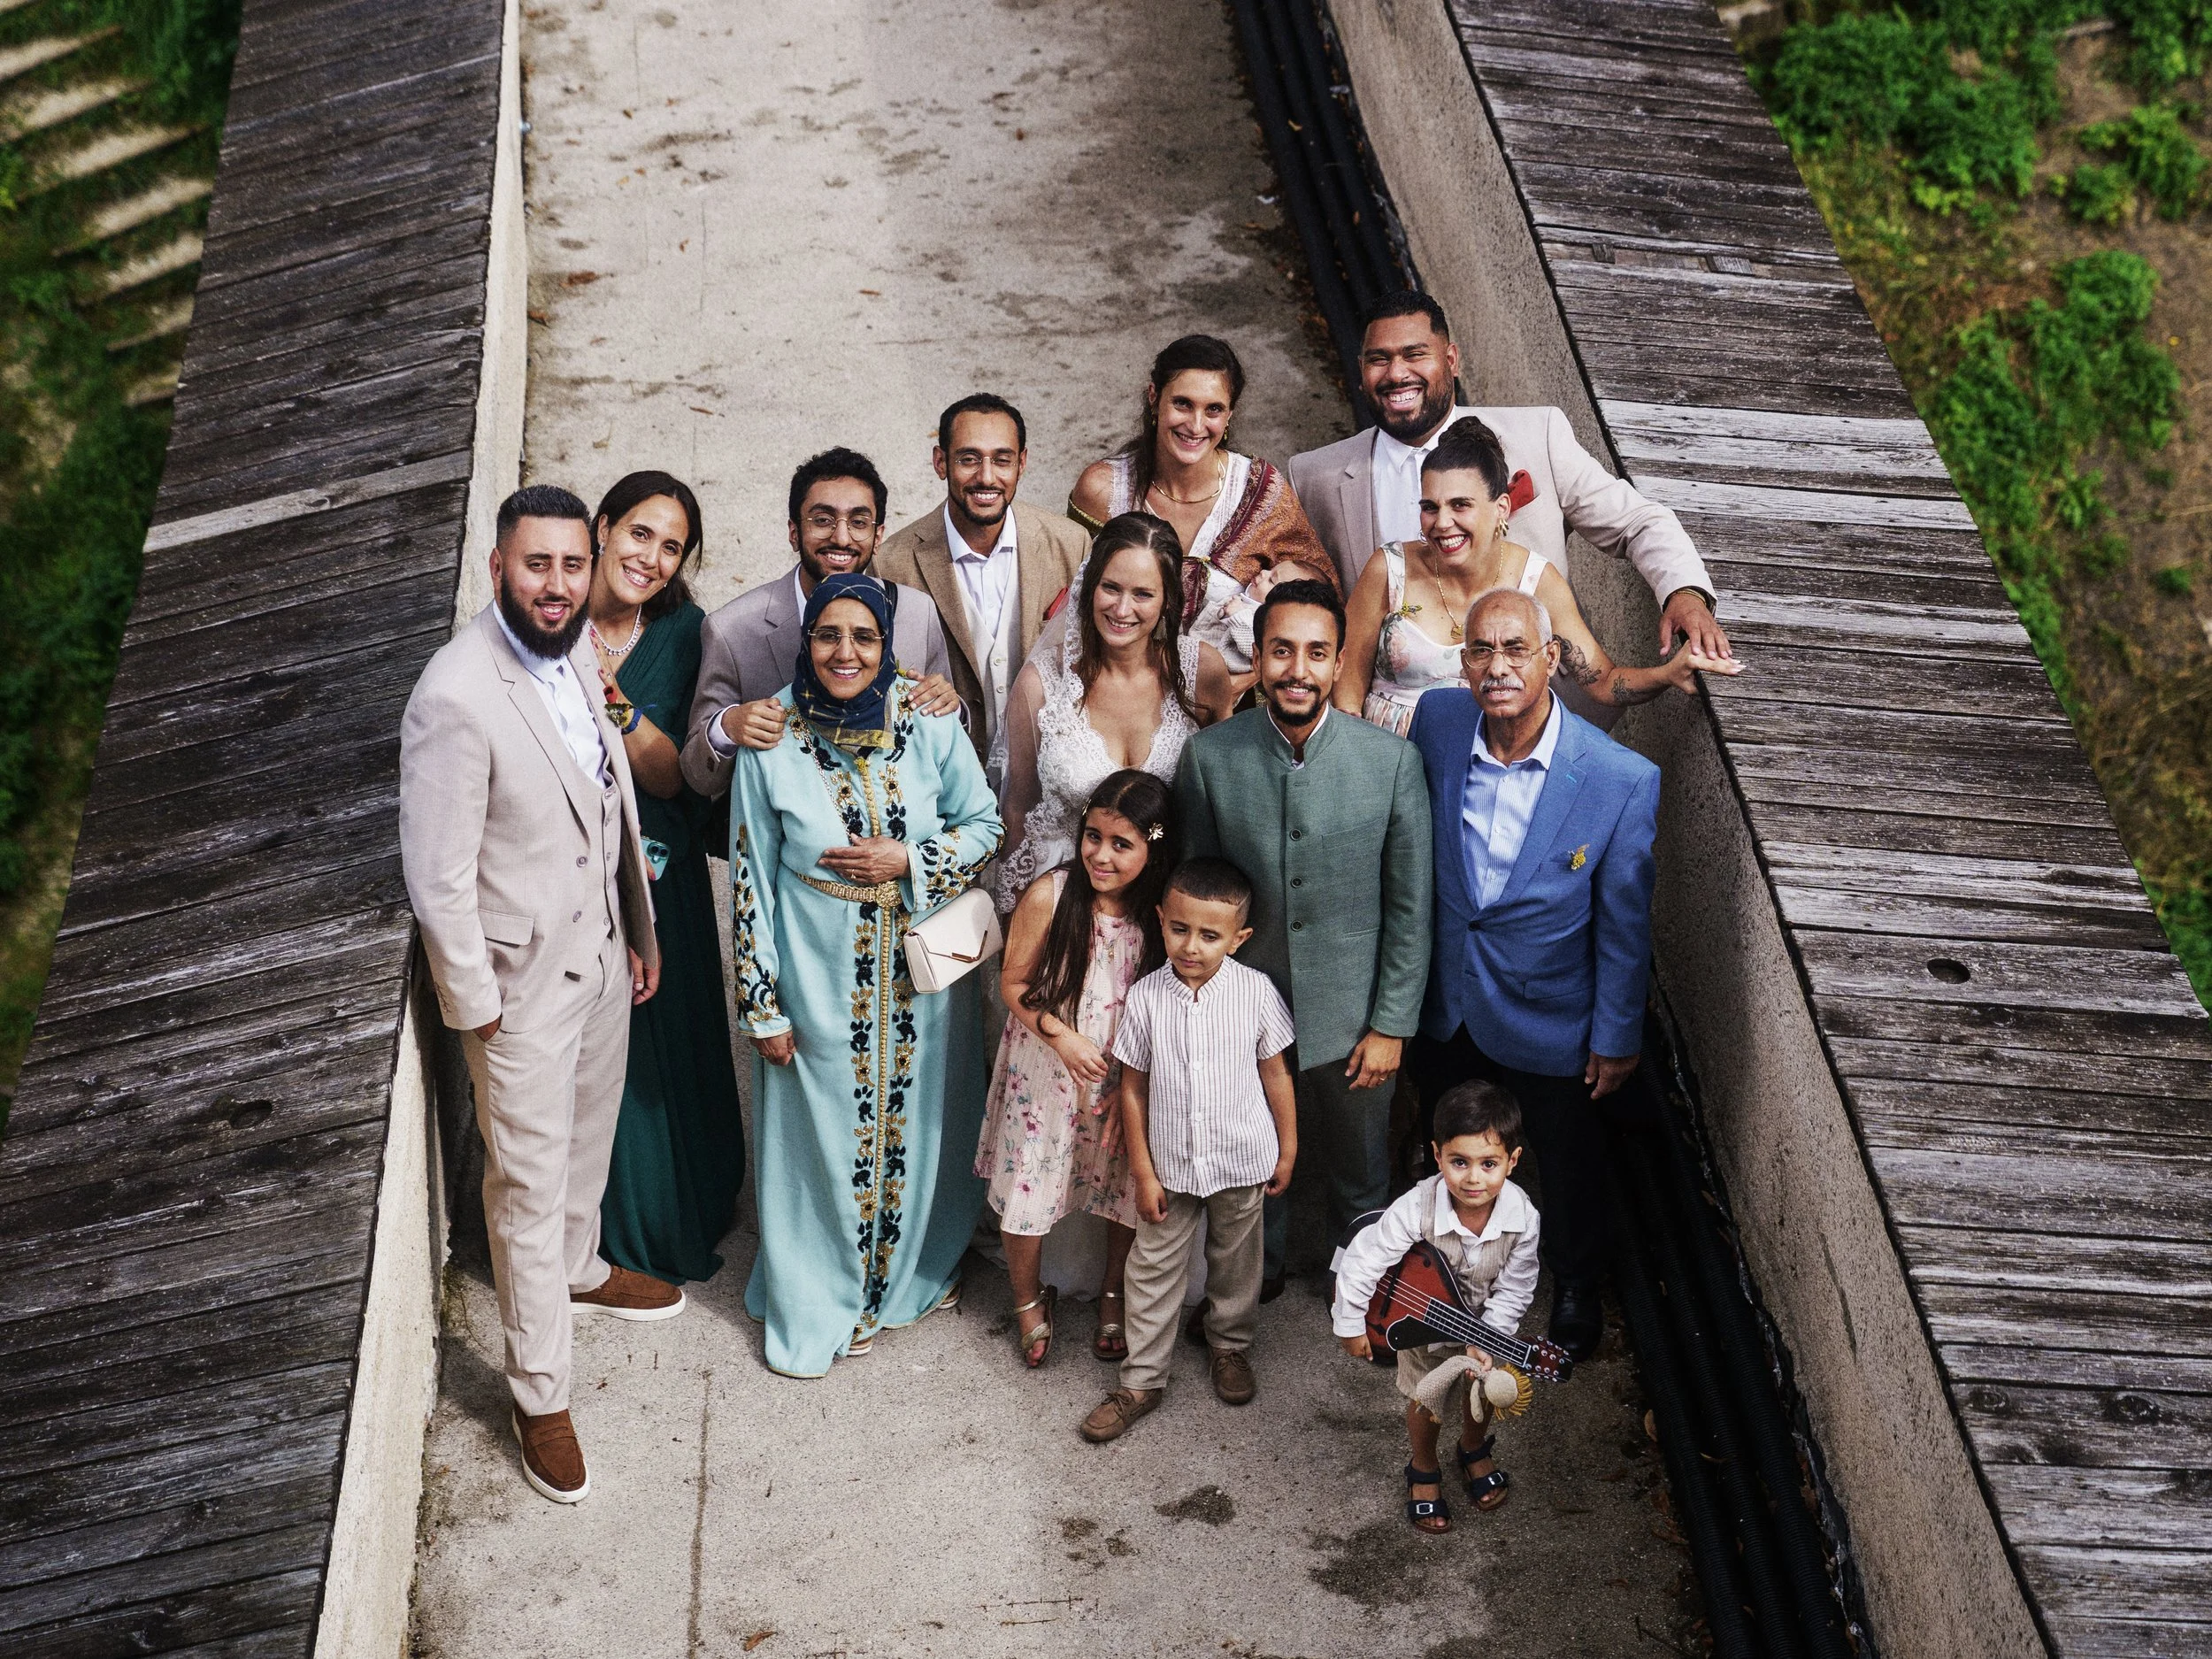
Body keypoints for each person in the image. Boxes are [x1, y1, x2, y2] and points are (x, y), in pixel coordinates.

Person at [399, 485, 672, 1505]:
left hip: (598, 958)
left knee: (587, 1143)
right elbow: (437, 878)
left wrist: (633, 928)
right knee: (523, 1187)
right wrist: (479, 1005)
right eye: (535, 565)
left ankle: (581, 1267)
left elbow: (606, 801)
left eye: (570, 564)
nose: (556, 585)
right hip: (518, 993)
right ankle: (539, 1393)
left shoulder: (578, 653)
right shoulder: (454, 696)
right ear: (497, 568)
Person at [726, 572, 1004, 1377]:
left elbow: (984, 824)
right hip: (817, 974)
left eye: (864, 637)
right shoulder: (772, 734)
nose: (844, 652)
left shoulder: (926, 717)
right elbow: (750, 876)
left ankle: (906, 1272)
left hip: (922, 980)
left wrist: (908, 860)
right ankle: (826, 1290)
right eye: (827, 635)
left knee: (916, 1129)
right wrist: (762, 1004)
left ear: (887, 644)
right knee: (821, 1135)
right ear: (805, 640)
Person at [1406, 586, 1660, 1362]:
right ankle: (1446, 1277)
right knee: (1450, 1144)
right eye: (1481, 650)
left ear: (1552, 658)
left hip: (1553, 1014)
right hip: (1452, 998)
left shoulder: (1620, 779)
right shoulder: (1439, 723)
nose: (1498, 667)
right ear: (1462, 663)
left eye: (1516, 649)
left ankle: (1576, 1284)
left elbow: (1625, 924)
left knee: (1567, 1159)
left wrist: (1616, 1036)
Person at [1173, 580, 1432, 1297]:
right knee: (1253, 1157)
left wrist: (1391, 1024)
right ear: (1258, 657)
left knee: (1361, 1166)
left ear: (1339, 660)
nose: (1298, 669)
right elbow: (1198, 895)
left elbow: (1411, 910)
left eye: (1317, 653)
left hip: (1356, 1018)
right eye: (1282, 650)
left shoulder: (1391, 762)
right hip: (1247, 1012)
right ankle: (1256, 1278)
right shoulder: (1210, 758)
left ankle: (1361, 1286)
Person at [1286, 291, 1731, 664]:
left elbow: (1638, 521)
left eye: (1415, 354)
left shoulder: (1538, 437)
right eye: (1378, 359)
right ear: (1361, 371)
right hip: (1393, 721)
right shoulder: (1312, 477)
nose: (1397, 373)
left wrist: (1685, 594)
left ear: (1451, 359)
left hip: (1542, 706)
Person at [581, 471, 746, 1288]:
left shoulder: (685, 633)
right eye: (639, 533)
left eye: (670, 546)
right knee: (606, 1051)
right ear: (603, 526)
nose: (649, 557)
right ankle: (613, 1226)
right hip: (577, 867)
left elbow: (674, 774)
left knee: (667, 1039)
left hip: (660, 862)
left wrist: (611, 696)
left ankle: (688, 1196)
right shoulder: (548, 614)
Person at [1079, 858, 1297, 1443]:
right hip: (1170, 1165)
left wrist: (1287, 1149)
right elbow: (1132, 1087)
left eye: (1209, 935)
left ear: (1238, 938)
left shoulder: (1255, 992)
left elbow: (1275, 1073)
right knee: (1152, 1268)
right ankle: (1142, 1380)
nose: (1191, 946)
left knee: (1237, 1261)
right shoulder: (1147, 997)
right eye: (1179, 929)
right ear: (1161, 920)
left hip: (1241, 1157)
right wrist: (1143, 1171)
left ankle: (1229, 1345)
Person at [1338, 419, 1740, 733]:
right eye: (1430, 507)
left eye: (1460, 505)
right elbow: (1347, 692)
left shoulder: (1536, 580)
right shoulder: (1388, 568)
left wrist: (1667, 674)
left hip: (1486, 770)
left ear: (1501, 508)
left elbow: (1603, 681)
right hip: (1386, 760)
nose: (1442, 523)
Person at [977, 770, 1175, 1368]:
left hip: (1122, 1074)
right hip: (1046, 1071)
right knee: (1029, 1183)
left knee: (1122, 1183)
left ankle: (1114, 1289)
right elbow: (1013, 982)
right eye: (1093, 836)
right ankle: (1027, 1298)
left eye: (1122, 844)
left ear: (1153, 849)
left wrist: (1136, 1080)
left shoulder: (1159, 916)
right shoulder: (1052, 895)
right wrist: (1061, 1037)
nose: (1101, 855)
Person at [679, 447, 963, 801]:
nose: (841, 538)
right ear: (794, 532)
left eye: (859, 522)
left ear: (878, 536)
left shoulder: (917, 614)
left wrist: (951, 707)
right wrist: (727, 727)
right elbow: (698, 778)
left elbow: (948, 745)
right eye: (823, 520)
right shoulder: (731, 630)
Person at [995, 512, 1234, 911]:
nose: (1122, 609)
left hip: (1169, 906)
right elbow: (1018, 809)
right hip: (1067, 901)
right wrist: (1014, 916)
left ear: (1167, 600)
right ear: (1090, 586)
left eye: (1143, 594)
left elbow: (1223, 798)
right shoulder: (1042, 684)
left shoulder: (1202, 672)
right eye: (1111, 588)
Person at [1333, 1081, 1541, 1533]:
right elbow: (1365, 1259)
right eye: (1459, 1162)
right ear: (1437, 1154)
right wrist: (1349, 1323)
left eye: (1489, 1164)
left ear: (1513, 1161)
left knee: (1480, 1393)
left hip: (1485, 1327)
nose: (1473, 1178)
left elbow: (1516, 1286)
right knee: (1425, 1400)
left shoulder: (1523, 1218)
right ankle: (1423, 1465)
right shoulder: (1418, 1205)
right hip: (1421, 1328)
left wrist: (1490, 1336)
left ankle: (1473, 1449)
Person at [1068, 334, 1336, 677]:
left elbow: (1323, 612)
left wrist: (1245, 680)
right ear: (1154, 398)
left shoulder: (1261, 490)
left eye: (1213, 409)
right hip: (1119, 691)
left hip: (1239, 701)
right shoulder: (1104, 490)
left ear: (1229, 415)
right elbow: (1068, 606)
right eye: (1182, 404)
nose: (1196, 426)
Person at [874, 394, 1088, 785]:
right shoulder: (891, 564)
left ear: (1022, 462)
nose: (987, 477)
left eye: (1002, 460)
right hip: (945, 781)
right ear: (941, 462)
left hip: (1047, 777)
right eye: (969, 459)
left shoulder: (1071, 544)